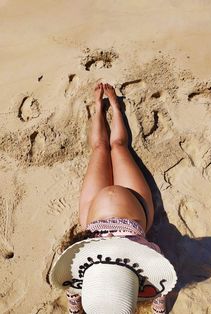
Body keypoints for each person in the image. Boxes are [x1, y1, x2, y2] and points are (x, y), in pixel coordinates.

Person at [50, 83, 177, 313]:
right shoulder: (144, 277)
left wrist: (75, 308)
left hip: (93, 214)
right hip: (135, 206)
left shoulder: (84, 280)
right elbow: (162, 287)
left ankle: (99, 106)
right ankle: (116, 107)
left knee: (100, 148)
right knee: (118, 146)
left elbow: (71, 284)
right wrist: (159, 307)